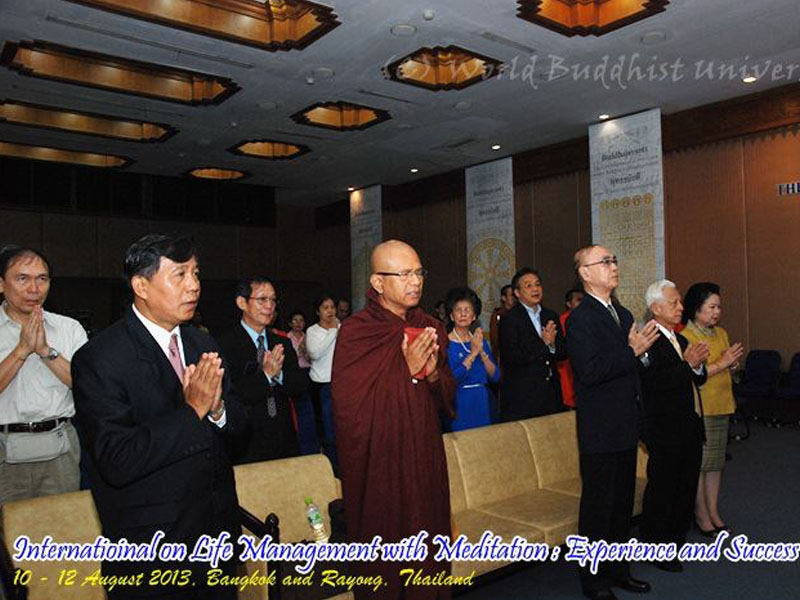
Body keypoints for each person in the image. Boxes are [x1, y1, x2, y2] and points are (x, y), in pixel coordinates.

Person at [72, 234, 246, 599]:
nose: (194, 285)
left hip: (217, 542)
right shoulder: (100, 358)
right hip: (153, 553)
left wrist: (218, 411)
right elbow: (117, 459)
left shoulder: (203, 343)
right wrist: (192, 411)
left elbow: (240, 428)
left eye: (196, 274)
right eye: (180, 275)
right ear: (141, 286)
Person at [331, 239, 455, 600]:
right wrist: (407, 373)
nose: (415, 281)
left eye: (419, 272)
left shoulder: (430, 326)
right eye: (403, 274)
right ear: (378, 283)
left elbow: (447, 396)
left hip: (424, 453)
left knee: (428, 544)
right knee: (385, 547)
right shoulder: (358, 331)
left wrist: (432, 375)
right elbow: (349, 407)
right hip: (380, 462)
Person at [567, 245, 659, 600]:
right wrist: (631, 352)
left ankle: (619, 570)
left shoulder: (621, 312)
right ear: (585, 273)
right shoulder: (581, 318)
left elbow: (630, 366)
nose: (613, 266)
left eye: (614, 260)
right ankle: (593, 581)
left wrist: (642, 357)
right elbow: (590, 372)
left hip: (625, 423)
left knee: (622, 505)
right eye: (604, 261)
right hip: (600, 428)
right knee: (598, 508)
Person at [0, 245, 87, 504]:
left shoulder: (69, 328)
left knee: (61, 523)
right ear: (1, 284)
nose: (34, 289)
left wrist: (46, 351)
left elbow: (87, 385)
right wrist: (21, 351)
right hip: (4, 449)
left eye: (42, 279)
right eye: (22, 278)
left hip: (59, 448)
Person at [638, 280, 709, 572]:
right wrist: (686, 364)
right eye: (674, 303)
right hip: (664, 428)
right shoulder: (648, 340)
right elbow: (654, 383)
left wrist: (697, 365)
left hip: (688, 425)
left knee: (685, 485)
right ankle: (656, 547)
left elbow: (698, 378)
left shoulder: (680, 339)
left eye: (680, 302)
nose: (681, 307)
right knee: (663, 489)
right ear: (656, 308)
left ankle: (676, 542)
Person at [217, 276, 307, 463]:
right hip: (247, 440)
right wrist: (266, 376)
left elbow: (299, 386)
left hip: (283, 437)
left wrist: (279, 374)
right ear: (242, 303)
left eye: (273, 300)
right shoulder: (225, 344)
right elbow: (230, 394)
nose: (269, 306)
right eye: (262, 300)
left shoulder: (281, 342)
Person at [681, 282, 744, 537]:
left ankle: (714, 511)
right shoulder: (687, 336)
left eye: (719, 307)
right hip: (702, 408)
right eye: (711, 307)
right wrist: (723, 362)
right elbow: (695, 375)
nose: (717, 312)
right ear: (696, 309)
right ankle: (701, 515)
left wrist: (733, 366)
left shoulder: (721, 333)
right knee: (701, 465)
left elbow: (729, 370)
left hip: (722, 404)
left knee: (716, 464)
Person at [498, 267, 566, 420]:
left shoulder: (551, 315)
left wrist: (552, 345)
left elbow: (563, 352)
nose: (535, 289)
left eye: (537, 284)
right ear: (517, 293)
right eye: (528, 285)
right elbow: (512, 357)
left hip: (551, 393)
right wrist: (543, 344)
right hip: (524, 395)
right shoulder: (509, 319)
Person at [445, 287, 499, 431]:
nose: (463, 314)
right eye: (458, 310)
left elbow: (495, 376)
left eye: (467, 310)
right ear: (451, 316)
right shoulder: (445, 343)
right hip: (459, 400)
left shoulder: (481, 341)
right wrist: (472, 354)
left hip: (482, 400)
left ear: (474, 316)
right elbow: (450, 380)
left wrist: (481, 352)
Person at [306, 294, 340, 468]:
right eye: (325, 308)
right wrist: (333, 332)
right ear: (318, 311)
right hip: (322, 385)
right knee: (328, 431)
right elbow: (315, 353)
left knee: (341, 428)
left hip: (341, 383)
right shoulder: (312, 331)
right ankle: (330, 467)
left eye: (332, 307)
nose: (330, 311)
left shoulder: (342, 328)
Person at [286, 310, 319, 455]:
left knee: (311, 409)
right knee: (299, 410)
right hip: (295, 373)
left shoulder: (308, 336)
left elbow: (314, 358)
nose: (298, 323)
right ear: (290, 323)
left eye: (301, 320)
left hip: (309, 373)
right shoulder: (286, 338)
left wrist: (306, 351)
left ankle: (313, 445)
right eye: (295, 320)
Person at [557, 288, 584, 409]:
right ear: (568, 304)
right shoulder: (563, 320)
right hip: (567, 365)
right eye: (578, 300)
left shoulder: (587, 317)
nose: (582, 303)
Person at [488, 283, 515, 360]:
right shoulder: (498, 315)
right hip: (503, 354)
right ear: (503, 298)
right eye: (511, 295)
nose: (514, 298)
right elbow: (495, 339)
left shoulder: (521, 313)